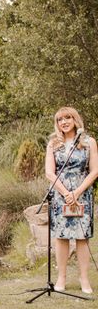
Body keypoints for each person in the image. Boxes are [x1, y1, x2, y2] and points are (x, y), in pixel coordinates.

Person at [45, 107, 98, 294]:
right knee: (61, 237)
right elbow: (49, 172)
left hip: (82, 195)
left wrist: (76, 193)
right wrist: (66, 192)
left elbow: (94, 171)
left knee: (82, 238)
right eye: (60, 119)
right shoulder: (53, 143)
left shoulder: (89, 142)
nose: (64, 122)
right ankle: (62, 277)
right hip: (61, 196)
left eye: (68, 118)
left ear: (75, 120)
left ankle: (84, 279)